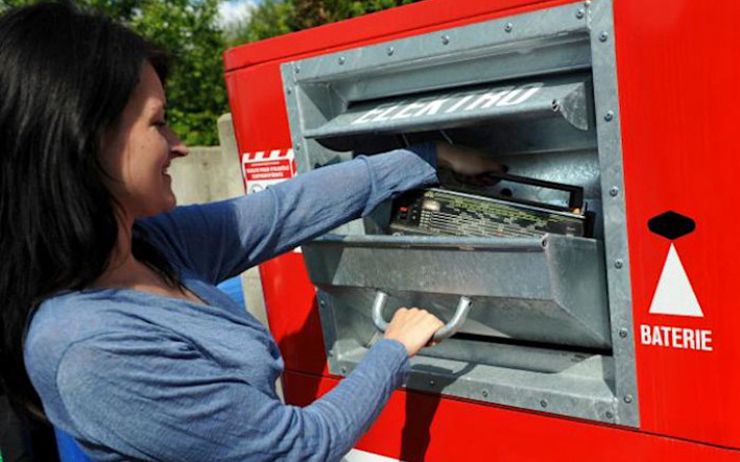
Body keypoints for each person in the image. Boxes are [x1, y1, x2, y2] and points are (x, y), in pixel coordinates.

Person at [0, 3, 501, 461]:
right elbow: (298, 447)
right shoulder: (91, 351)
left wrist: (426, 158)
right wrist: (395, 345)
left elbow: (283, 210)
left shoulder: (150, 246)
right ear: (84, 140)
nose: (179, 146)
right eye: (159, 123)